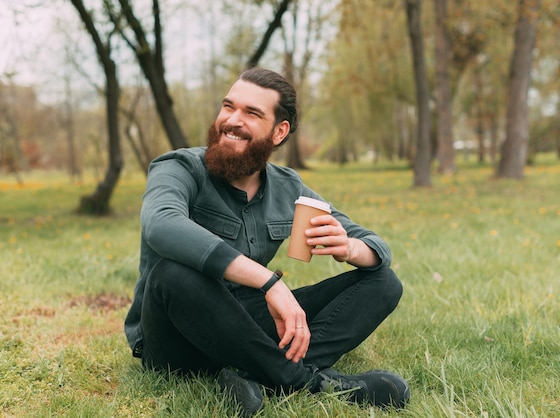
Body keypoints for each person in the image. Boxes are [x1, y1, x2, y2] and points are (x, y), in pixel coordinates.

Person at [124, 67, 409, 416]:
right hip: (175, 339)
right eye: (228, 107)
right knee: (173, 273)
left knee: (383, 282)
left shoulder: (289, 188)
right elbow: (161, 225)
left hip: (247, 325)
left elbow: (376, 247)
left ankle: (253, 374)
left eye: (251, 113)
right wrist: (269, 283)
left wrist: (350, 248)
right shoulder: (178, 168)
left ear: (279, 131)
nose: (231, 120)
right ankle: (307, 382)